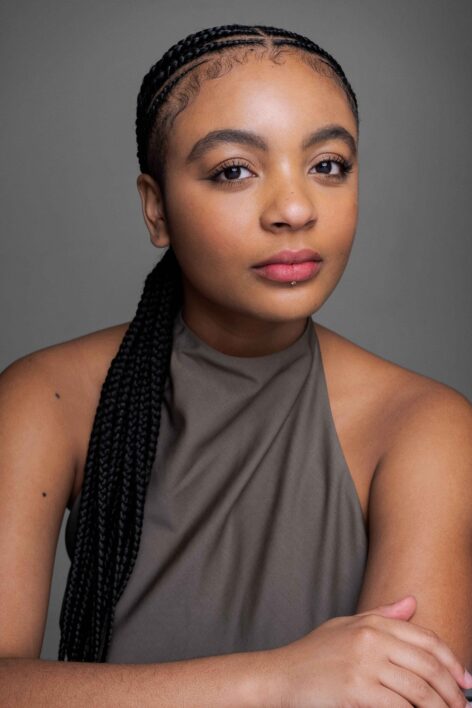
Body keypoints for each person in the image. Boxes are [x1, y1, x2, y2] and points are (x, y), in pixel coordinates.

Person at [0, 22, 471, 707]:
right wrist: (273, 681)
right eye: (234, 171)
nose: (294, 209)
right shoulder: (47, 398)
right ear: (156, 208)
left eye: (328, 165)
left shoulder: (426, 426)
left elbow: (408, 696)